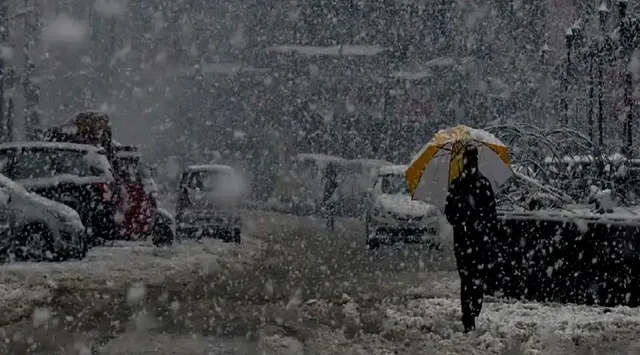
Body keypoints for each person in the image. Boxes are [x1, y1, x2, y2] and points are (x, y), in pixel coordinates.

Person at [444, 145, 498, 333]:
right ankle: (470, 314)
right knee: (472, 279)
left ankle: (470, 312)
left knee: (469, 280)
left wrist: (467, 220)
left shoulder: (464, 185)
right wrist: (468, 220)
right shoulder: (476, 184)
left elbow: (491, 216)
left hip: (469, 241)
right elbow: (491, 216)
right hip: (472, 241)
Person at [322, 163, 339, 231]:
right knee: (331, 211)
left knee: (328, 211)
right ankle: (330, 224)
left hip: (329, 196)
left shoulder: (327, 180)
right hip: (331, 196)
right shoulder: (332, 179)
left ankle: (328, 224)